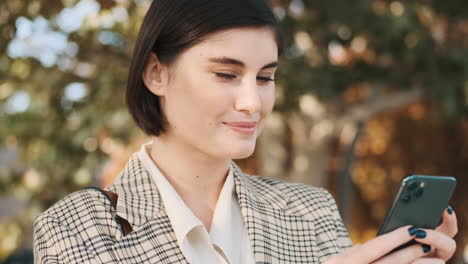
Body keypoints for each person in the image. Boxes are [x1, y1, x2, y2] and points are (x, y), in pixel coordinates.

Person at [33, 0, 457, 263]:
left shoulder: (311, 211)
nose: (253, 103)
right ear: (156, 73)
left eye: (265, 77)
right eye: (225, 74)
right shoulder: (78, 227)